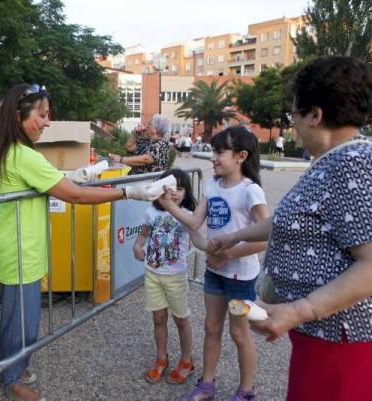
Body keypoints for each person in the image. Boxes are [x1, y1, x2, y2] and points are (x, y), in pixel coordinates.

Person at [0, 83, 162, 401]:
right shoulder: (21, 154)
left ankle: (14, 370)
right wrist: (128, 191)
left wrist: (73, 177)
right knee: (21, 322)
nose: (47, 122)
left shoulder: (9, 147)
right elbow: (74, 195)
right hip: (21, 253)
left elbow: (59, 182)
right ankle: (10, 380)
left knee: (20, 317)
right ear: (17, 115)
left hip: (22, 251)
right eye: (41, 114)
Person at [208, 56, 372, 401]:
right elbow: (290, 221)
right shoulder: (330, 161)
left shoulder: (352, 164)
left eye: (294, 115)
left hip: (339, 341)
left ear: (316, 115)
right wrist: (235, 235)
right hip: (320, 335)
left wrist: (300, 310)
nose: (292, 125)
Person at [158, 126, 269, 401]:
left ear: (241, 156)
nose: (214, 158)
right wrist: (169, 205)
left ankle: (246, 391)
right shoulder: (211, 185)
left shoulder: (250, 191)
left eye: (220, 152)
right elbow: (195, 223)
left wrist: (228, 254)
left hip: (240, 277)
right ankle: (206, 385)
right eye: (213, 151)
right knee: (211, 327)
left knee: (239, 333)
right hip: (214, 273)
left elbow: (266, 237)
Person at [134, 169, 204, 386]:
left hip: (175, 277)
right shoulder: (151, 212)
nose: (173, 193)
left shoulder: (186, 214)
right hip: (152, 274)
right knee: (158, 319)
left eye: (179, 188)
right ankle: (161, 358)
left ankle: (186, 361)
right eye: (169, 187)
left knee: (181, 319)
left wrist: (215, 250)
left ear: (186, 192)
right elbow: (143, 234)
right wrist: (137, 246)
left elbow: (197, 236)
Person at [108, 114, 175, 174]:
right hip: (135, 180)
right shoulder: (146, 140)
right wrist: (135, 133)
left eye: (149, 124)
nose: (146, 126)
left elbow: (146, 159)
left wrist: (121, 159)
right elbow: (129, 147)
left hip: (147, 183)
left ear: (155, 130)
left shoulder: (162, 144)